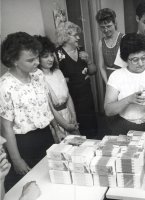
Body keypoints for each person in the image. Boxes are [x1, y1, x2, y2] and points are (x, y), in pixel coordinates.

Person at [0, 32, 58, 190]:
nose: (37, 62)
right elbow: (6, 127)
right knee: (32, 186)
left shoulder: (38, 75)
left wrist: (56, 129)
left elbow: (45, 107)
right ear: (14, 61)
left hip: (45, 135)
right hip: (23, 143)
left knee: (51, 181)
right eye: (31, 60)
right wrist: (16, 159)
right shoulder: (5, 86)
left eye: (37, 58)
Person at [104, 33, 145, 146]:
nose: (140, 63)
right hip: (125, 125)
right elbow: (108, 110)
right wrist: (129, 100)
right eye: (134, 60)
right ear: (125, 59)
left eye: (144, 58)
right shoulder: (117, 76)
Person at [55, 21, 98, 138]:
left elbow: (93, 71)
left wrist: (88, 60)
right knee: (78, 131)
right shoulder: (57, 55)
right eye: (75, 35)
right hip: (72, 99)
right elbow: (54, 78)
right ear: (66, 36)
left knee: (91, 129)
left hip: (86, 95)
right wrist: (64, 80)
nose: (78, 38)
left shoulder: (81, 50)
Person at [35, 35, 80, 142]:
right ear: (38, 58)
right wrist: (65, 125)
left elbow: (68, 96)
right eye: (45, 56)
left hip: (68, 113)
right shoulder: (38, 77)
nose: (50, 59)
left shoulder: (58, 72)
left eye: (51, 55)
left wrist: (74, 117)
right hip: (55, 120)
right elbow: (49, 107)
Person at [95, 8, 124, 83]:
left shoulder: (124, 38)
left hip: (123, 78)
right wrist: (107, 83)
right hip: (109, 79)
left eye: (108, 26)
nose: (106, 30)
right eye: (102, 27)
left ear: (115, 23)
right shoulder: (101, 42)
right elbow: (101, 67)